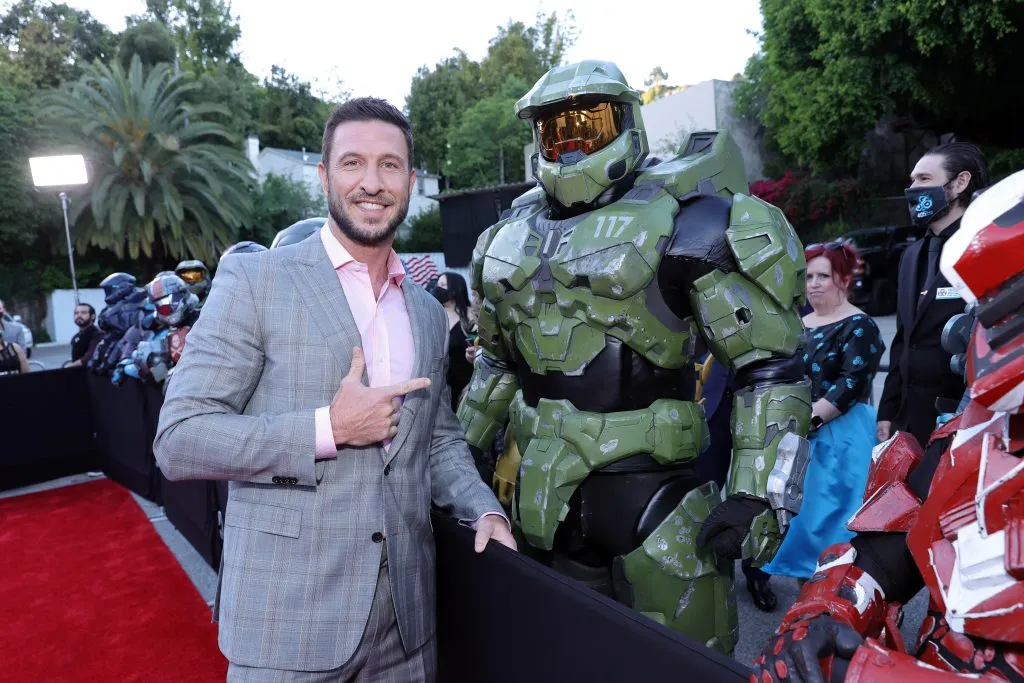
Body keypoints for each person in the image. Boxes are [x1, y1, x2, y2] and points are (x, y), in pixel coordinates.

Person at [456, 60, 811, 654]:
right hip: (544, 496)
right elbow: (494, 365)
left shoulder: (693, 221)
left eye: (586, 126)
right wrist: (458, 465)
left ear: (625, 122)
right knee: (562, 659)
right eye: (554, 130)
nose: (569, 146)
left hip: (655, 493)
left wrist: (760, 493)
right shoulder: (504, 240)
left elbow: (768, 366)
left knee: (684, 662)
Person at [154, 97, 513, 682]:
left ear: (411, 181)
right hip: (287, 625)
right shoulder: (256, 280)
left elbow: (439, 439)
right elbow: (180, 439)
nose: (372, 183)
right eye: (353, 163)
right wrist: (330, 428)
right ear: (324, 177)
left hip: (408, 627)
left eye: (390, 166)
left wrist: (482, 508)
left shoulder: (425, 312)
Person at [750, 168, 1024, 683]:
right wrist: (824, 614)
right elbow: (883, 556)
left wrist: (870, 671)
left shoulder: (857, 325)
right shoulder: (978, 442)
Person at [761, 242, 884, 585]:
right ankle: (809, 605)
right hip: (798, 432)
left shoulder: (860, 325)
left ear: (843, 280)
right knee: (802, 525)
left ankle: (841, 604)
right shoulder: (799, 322)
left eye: (823, 276)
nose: (813, 284)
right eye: (809, 276)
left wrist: (808, 419)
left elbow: (851, 382)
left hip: (841, 436)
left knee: (832, 524)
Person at [877, 142, 989, 448]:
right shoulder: (912, 254)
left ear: (960, 182)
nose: (913, 188)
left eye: (924, 179)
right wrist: (887, 409)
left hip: (966, 422)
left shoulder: (985, 247)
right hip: (909, 423)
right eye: (912, 179)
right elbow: (904, 338)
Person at [430, 272, 473, 410]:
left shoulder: (470, 316)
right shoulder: (433, 314)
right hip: (439, 386)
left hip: (464, 386)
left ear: (455, 290)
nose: (438, 289)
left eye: (443, 285)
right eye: (438, 285)